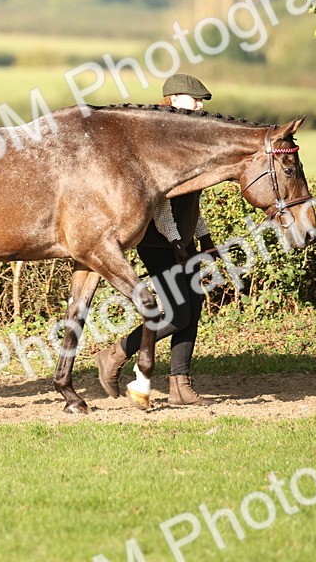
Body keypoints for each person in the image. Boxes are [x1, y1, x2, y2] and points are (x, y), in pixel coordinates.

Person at [96, 73, 219, 407]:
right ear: (174, 99)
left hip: (180, 239)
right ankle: (115, 354)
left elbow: (190, 200)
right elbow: (161, 200)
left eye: (201, 101)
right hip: (157, 240)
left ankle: (180, 386)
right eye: (194, 99)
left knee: (192, 309)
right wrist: (177, 242)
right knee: (178, 314)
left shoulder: (188, 138)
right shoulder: (160, 137)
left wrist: (204, 237)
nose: (200, 105)